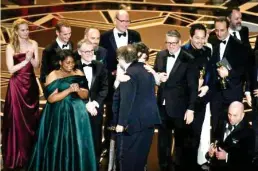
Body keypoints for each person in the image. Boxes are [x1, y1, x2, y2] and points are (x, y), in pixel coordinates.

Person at [28, 50, 96, 171]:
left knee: (78, 143)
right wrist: (68, 91)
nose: (70, 65)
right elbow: (51, 99)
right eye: (67, 63)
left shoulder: (79, 72)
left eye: (72, 62)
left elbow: (85, 95)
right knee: (59, 143)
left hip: (78, 115)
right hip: (59, 114)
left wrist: (78, 91)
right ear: (60, 62)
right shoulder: (53, 75)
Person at [153, 30, 199, 171]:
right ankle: (163, 166)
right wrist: (158, 78)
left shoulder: (189, 59)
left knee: (180, 142)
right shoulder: (160, 55)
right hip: (162, 106)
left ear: (180, 42)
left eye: (174, 43)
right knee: (162, 142)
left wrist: (191, 108)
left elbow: (193, 87)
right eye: (168, 43)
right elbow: (154, 75)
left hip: (180, 107)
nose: (171, 46)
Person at [99, 9, 141, 151]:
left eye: (127, 21)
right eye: (122, 21)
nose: (125, 24)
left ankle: (127, 146)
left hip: (131, 82)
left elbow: (139, 58)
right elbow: (101, 61)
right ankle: (108, 147)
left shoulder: (135, 35)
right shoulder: (104, 37)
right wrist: (112, 72)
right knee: (111, 113)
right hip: (111, 84)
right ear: (115, 20)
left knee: (129, 112)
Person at [2, 18, 40, 171]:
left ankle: (30, 154)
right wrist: (26, 60)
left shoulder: (34, 43)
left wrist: (32, 60)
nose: (26, 32)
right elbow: (11, 69)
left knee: (31, 120)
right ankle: (16, 155)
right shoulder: (11, 46)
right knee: (16, 120)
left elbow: (37, 66)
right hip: (16, 85)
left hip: (30, 85)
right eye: (23, 30)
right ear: (16, 31)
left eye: (27, 29)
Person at [114, 45, 161, 171]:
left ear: (121, 58)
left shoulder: (128, 74)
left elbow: (126, 101)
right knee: (140, 162)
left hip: (133, 125)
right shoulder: (147, 70)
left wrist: (121, 123)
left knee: (127, 162)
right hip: (149, 122)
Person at [208, 17, 248, 135]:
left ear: (228, 29)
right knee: (216, 126)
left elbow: (243, 70)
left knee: (232, 128)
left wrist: (229, 73)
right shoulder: (212, 42)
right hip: (216, 93)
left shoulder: (239, 46)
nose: (219, 33)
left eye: (222, 30)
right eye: (216, 30)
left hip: (232, 92)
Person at [182, 23, 212, 169]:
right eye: (197, 38)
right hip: (185, 102)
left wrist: (207, 85)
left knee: (196, 136)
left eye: (203, 38)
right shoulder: (183, 52)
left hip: (200, 101)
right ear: (190, 37)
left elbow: (210, 72)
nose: (200, 41)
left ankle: (192, 165)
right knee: (184, 138)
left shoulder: (207, 51)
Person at [77, 39, 108, 170]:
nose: (90, 53)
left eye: (91, 51)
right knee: (79, 138)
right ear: (79, 52)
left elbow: (105, 88)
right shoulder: (73, 67)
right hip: (78, 110)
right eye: (86, 51)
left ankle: (94, 164)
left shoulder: (100, 66)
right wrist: (85, 104)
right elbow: (71, 89)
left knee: (95, 138)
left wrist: (95, 103)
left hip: (96, 109)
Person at [206, 101, 255, 171]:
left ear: (242, 115)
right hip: (216, 165)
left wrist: (227, 156)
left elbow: (247, 158)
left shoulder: (248, 132)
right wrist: (212, 147)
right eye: (229, 114)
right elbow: (216, 137)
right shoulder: (222, 120)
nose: (231, 118)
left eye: (235, 115)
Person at [40, 19, 73, 84]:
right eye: (65, 34)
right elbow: (44, 74)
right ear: (57, 33)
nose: (68, 36)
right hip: (56, 85)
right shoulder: (49, 50)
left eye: (70, 33)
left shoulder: (71, 44)